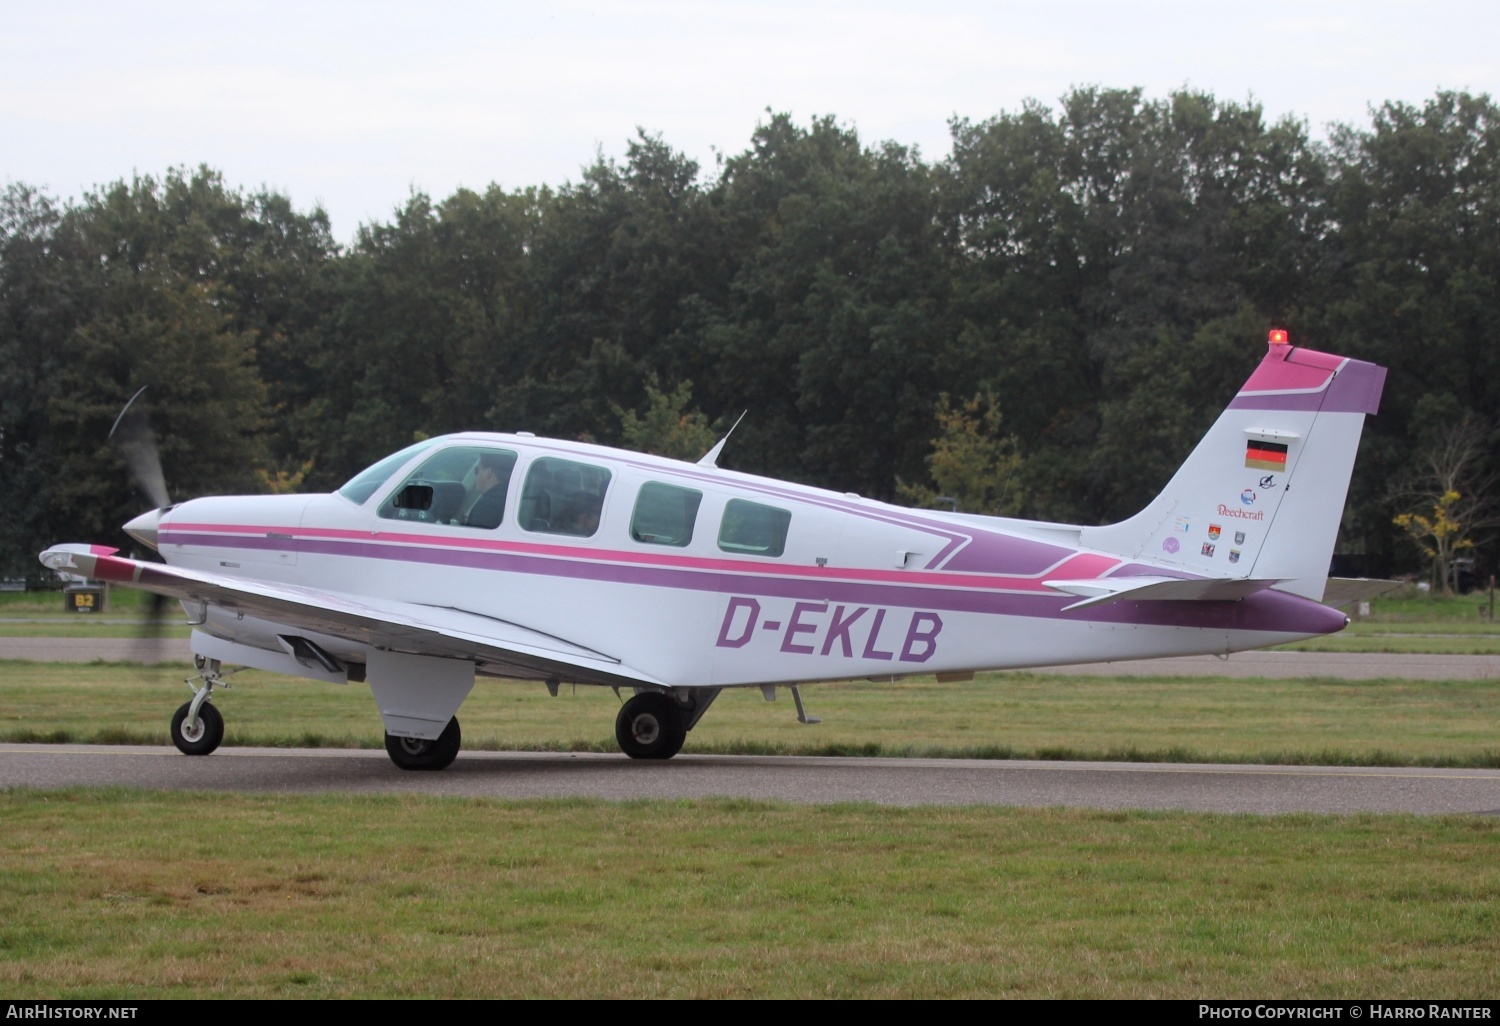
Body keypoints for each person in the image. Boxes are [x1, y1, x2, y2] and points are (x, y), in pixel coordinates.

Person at [461, 453, 511, 529]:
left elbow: (475, 537)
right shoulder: (508, 497)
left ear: (488, 473)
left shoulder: (487, 506)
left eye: (477, 470)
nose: (476, 475)